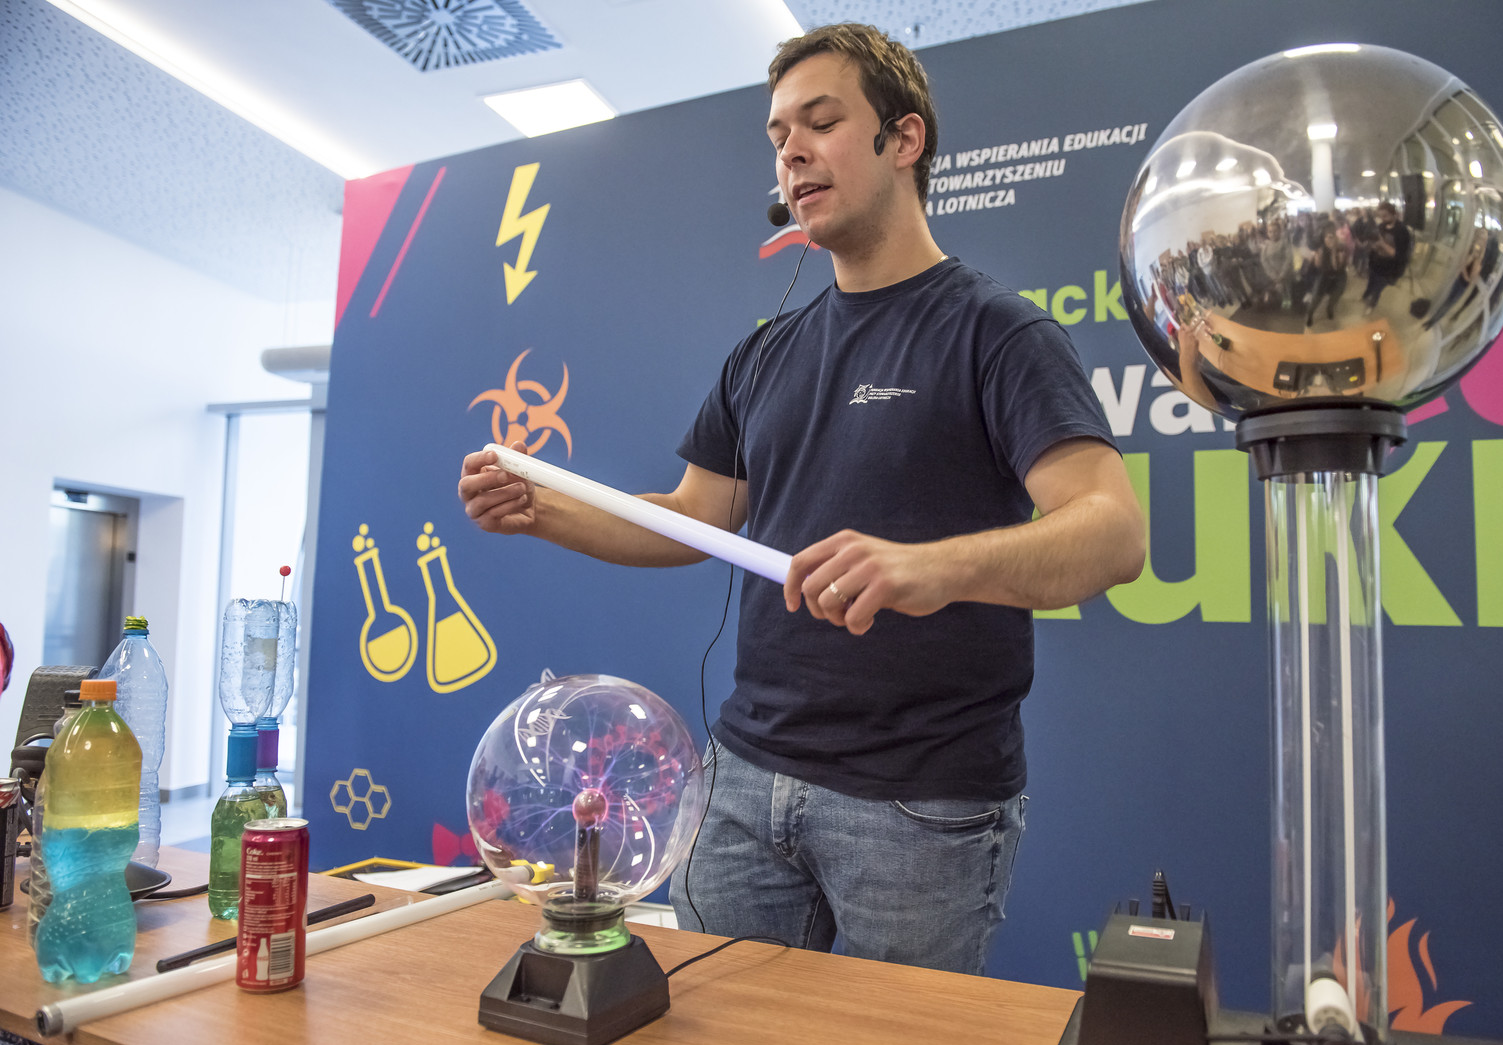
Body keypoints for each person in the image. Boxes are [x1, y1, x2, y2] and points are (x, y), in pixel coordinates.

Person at [457, 23, 1144, 976]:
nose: (793, 152)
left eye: (822, 123)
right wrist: (543, 511)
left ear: (904, 140)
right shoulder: (764, 352)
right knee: (718, 1037)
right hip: (744, 781)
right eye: (780, 135)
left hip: (920, 803)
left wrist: (928, 568)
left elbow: (1112, 534)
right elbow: (695, 517)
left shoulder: (998, 333)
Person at [1361, 201, 1412, 311]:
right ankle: (1366, 294)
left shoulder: (1402, 231)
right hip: (1375, 264)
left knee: (1378, 289)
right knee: (1371, 283)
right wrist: (1372, 246)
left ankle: (1371, 304)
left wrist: (1382, 244)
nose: (1383, 219)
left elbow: (1399, 255)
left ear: (1394, 214)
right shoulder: (1381, 226)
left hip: (1389, 269)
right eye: (1381, 216)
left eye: (1385, 216)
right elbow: (1376, 243)